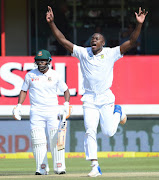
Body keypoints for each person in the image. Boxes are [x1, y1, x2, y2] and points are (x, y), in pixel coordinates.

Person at [46, 6, 148, 177]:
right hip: (89, 99)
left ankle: (119, 111)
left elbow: (131, 42)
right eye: (93, 38)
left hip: (106, 98)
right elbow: (63, 40)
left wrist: (138, 25)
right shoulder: (83, 53)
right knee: (89, 130)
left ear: (103, 43)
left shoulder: (111, 53)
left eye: (98, 38)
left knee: (108, 132)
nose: (94, 39)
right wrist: (52, 23)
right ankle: (94, 166)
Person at [12, 49, 70, 175]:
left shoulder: (55, 75)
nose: (41, 63)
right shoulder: (30, 75)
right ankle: (41, 168)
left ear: (49, 61)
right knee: (38, 140)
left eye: (43, 61)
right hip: (36, 111)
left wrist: (66, 103)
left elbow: (65, 90)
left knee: (56, 139)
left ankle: (59, 167)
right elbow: (23, 91)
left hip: (53, 110)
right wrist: (19, 105)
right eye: (38, 61)